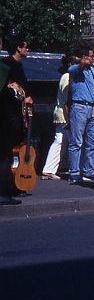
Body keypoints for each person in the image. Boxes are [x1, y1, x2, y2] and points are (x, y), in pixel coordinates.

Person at [0, 35, 33, 205]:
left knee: (12, 152)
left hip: (17, 114)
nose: (27, 49)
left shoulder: (15, 65)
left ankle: (12, 185)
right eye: (25, 46)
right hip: (9, 114)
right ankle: (3, 190)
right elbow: (7, 90)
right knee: (5, 153)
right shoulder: (7, 64)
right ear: (18, 48)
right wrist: (22, 98)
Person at [66, 42, 94, 184]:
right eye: (91, 57)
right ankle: (74, 171)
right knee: (76, 142)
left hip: (91, 106)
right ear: (84, 57)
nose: (93, 59)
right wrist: (81, 62)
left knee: (92, 141)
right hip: (80, 107)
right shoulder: (75, 69)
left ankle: (89, 170)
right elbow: (76, 68)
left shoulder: (91, 70)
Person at [42, 53, 74, 180]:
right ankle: (50, 169)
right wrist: (69, 117)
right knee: (63, 142)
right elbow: (67, 100)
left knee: (60, 141)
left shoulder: (64, 76)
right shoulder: (68, 78)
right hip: (64, 114)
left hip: (60, 112)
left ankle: (49, 169)